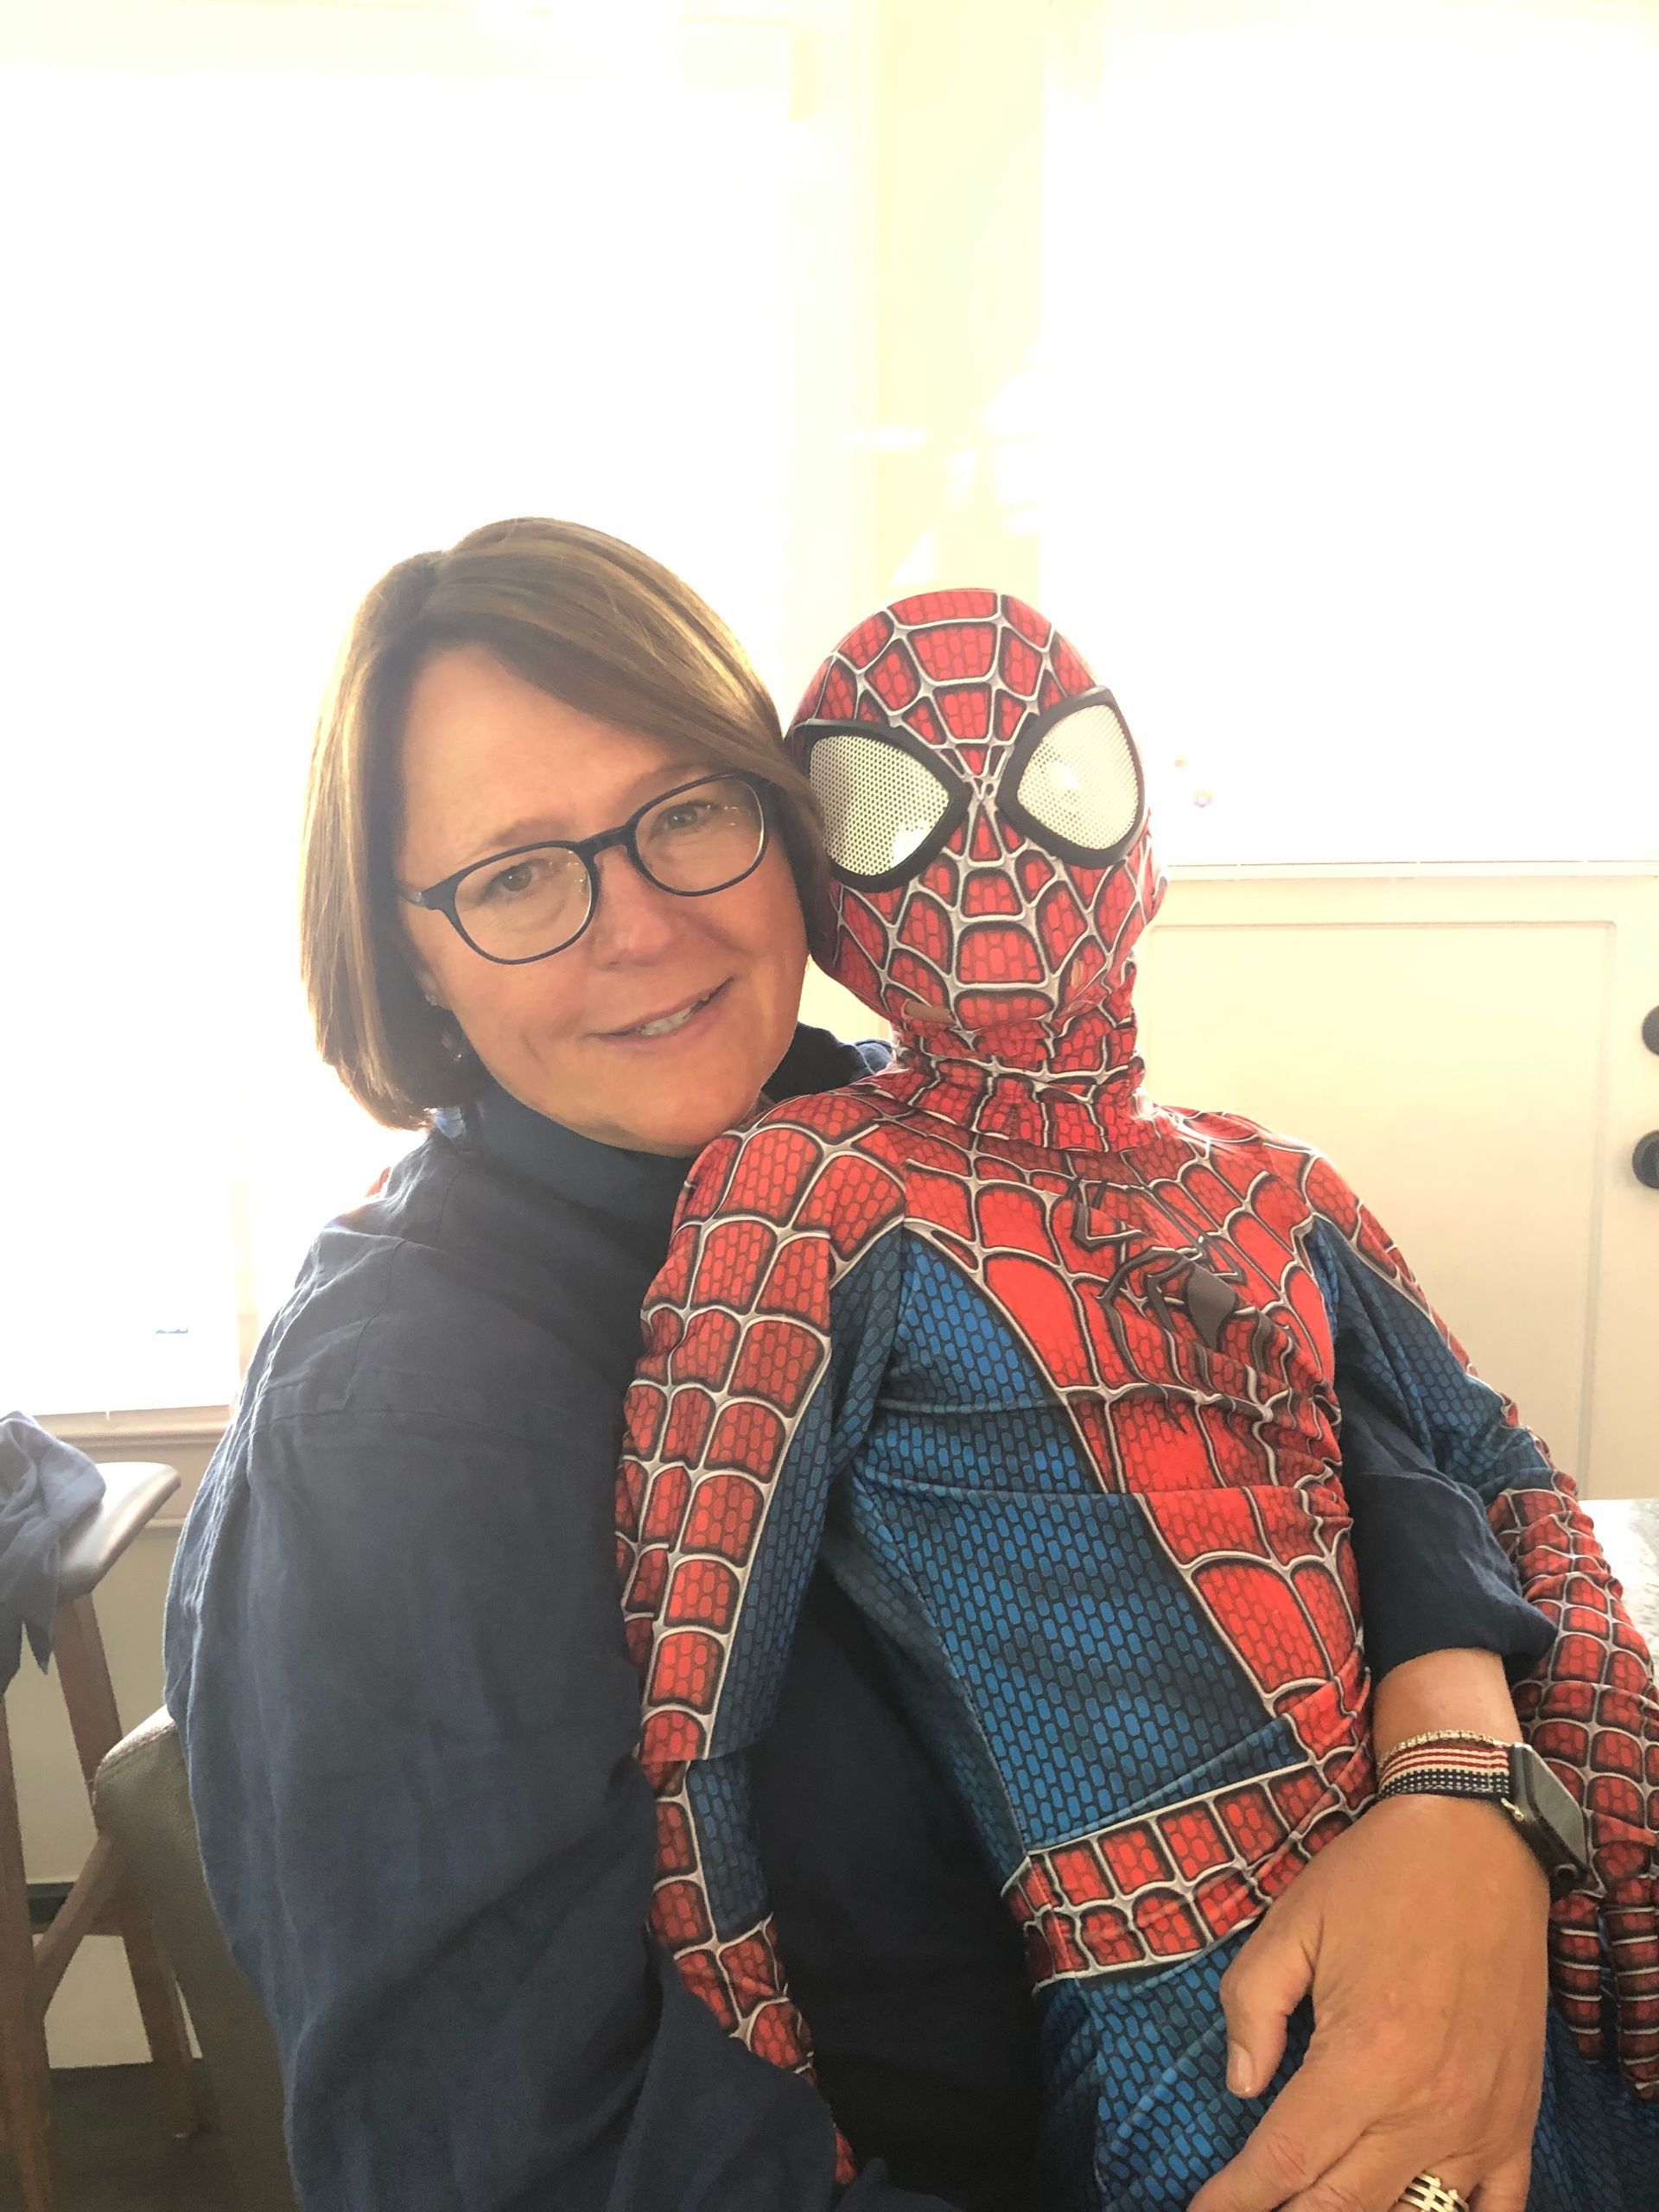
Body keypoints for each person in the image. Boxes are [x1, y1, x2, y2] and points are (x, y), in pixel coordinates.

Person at [168, 520, 1567, 2212]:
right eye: (520, 875)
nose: (644, 925)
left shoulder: (896, 1124)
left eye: (689, 812)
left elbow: (1346, 1415)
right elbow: (513, 2146)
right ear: (413, 961)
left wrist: (1461, 1791)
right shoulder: (397, 1412)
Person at [619, 588, 1659, 2210]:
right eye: (898, 811)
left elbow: (1497, 1469)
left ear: (1149, 832)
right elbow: (691, 1718)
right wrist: (790, 2138)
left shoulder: (1277, 1179)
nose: (998, 847)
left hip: (1501, 1907)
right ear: (832, 900)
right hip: (1198, 2016)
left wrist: (1546, 1783)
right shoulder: (811, 1187)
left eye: (1064, 778)